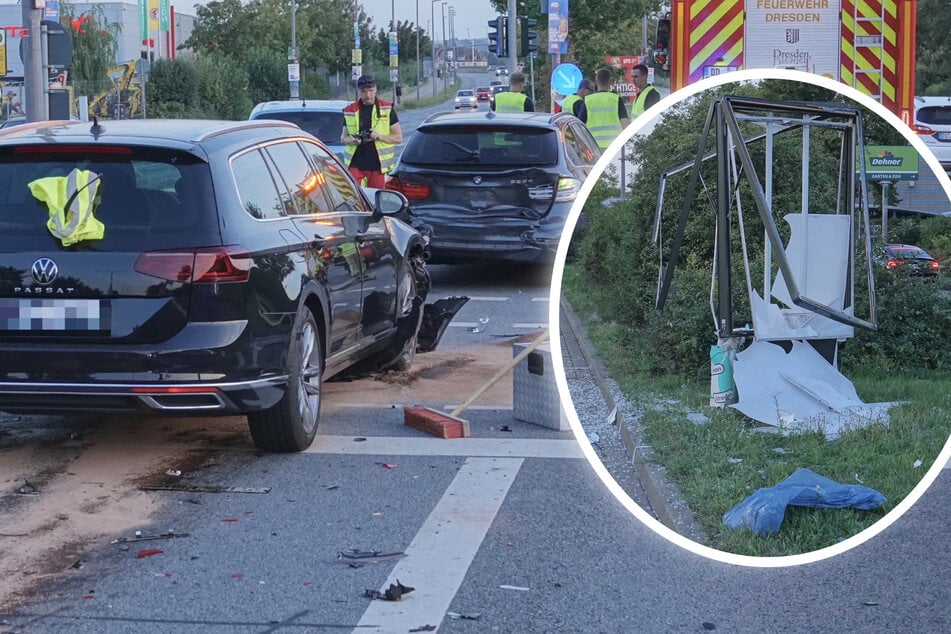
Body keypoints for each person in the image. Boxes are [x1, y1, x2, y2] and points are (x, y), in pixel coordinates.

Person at [340, 75, 403, 189]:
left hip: (378, 166)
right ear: (359, 91)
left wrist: (379, 137)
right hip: (355, 165)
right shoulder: (350, 111)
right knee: (356, 200)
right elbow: (343, 138)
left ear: (376, 89)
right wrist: (353, 140)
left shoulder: (387, 109)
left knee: (375, 200)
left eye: (371, 90)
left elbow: (398, 138)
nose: (368, 95)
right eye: (364, 91)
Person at [584, 68, 630, 150]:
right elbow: (625, 123)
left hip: (593, 146)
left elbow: (580, 125)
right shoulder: (616, 99)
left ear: (596, 81)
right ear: (610, 81)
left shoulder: (588, 100)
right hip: (614, 147)